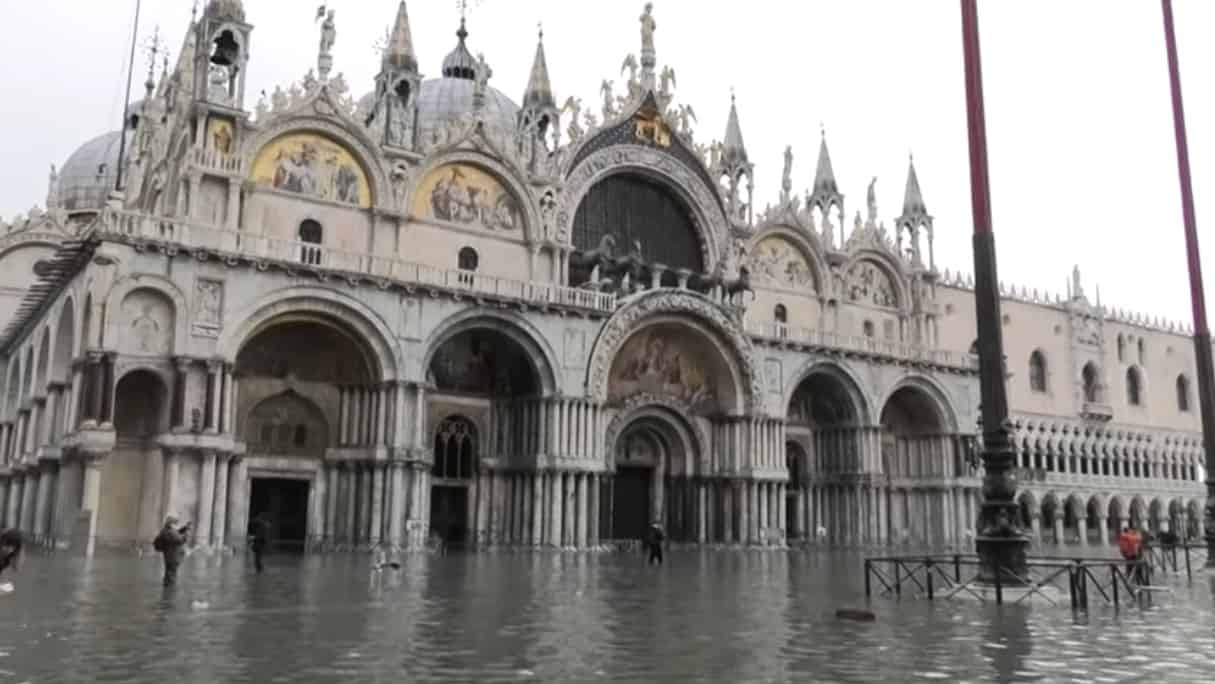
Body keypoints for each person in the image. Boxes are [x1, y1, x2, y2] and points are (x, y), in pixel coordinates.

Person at [153, 516, 190, 587]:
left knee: (169, 572)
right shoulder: (169, 532)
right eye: (175, 523)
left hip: (169, 555)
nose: (176, 524)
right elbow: (180, 540)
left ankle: (167, 585)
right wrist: (186, 534)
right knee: (171, 573)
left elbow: (176, 534)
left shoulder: (166, 530)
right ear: (171, 523)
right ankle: (169, 588)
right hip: (172, 556)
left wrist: (184, 528)